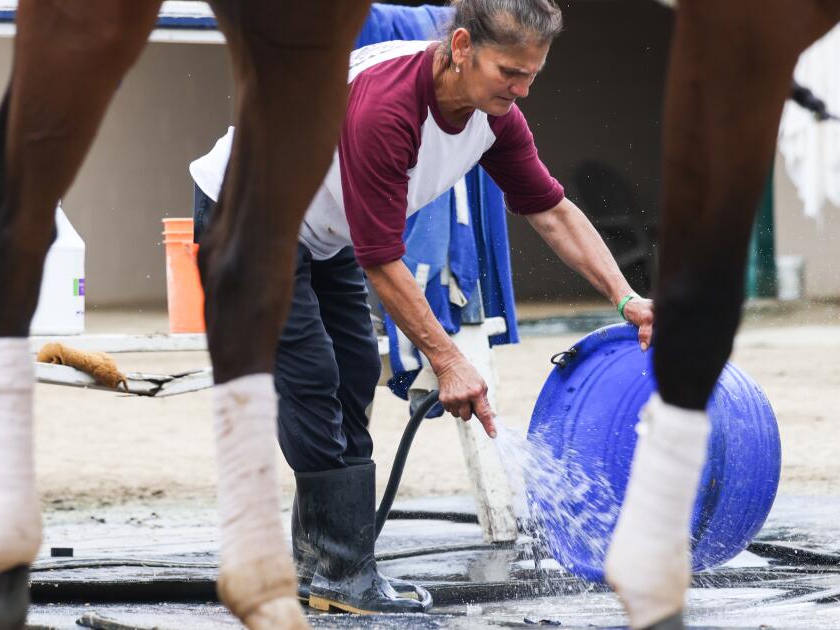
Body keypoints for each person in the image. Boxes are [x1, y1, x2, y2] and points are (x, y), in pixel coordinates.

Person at [189, 0, 655, 615]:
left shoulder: (497, 117)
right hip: (247, 215)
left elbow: (552, 210)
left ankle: (322, 567)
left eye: (532, 75)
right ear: (461, 46)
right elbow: (381, 257)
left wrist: (626, 298)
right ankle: (343, 575)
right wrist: (449, 359)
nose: (520, 90)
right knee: (312, 380)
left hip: (320, 226)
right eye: (508, 72)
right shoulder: (389, 108)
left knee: (353, 374)